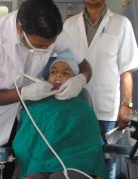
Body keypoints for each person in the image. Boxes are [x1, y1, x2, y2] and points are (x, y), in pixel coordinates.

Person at [0, 0, 92, 179]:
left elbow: (86, 66)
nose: (46, 49)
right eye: (40, 45)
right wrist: (24, 93)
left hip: (23, 121)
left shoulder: (54, 33)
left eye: (50, 45)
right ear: (20, 29)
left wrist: (81, 80)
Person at [63, 0, 138, 179]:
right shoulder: (69, 26)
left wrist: (127, 105)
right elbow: (62, 66)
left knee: (106, 165)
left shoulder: (121, 24)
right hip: (75, 108)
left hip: (106, 110)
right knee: (76, 162)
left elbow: (127, 69)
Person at [12, 50, 107, 179]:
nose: (58, 75)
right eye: (53, 72)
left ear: (75, 80)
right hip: (38, 164)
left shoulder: (83, 109)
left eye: (65, 73)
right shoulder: (34, 106)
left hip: (74, 163)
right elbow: (24, 140)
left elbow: (93, 147)